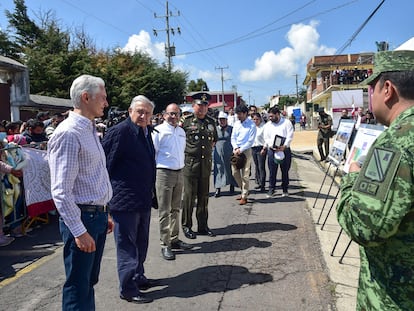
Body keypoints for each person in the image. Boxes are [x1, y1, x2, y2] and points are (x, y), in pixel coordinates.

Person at [336, 50, 414, 311]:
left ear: (388, 89)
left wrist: (353, 178)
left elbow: (364, 225)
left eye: (372, 88)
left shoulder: (395, 144)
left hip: (395, 298)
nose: (370, 96)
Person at [48, 74, 114, 310]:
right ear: (86, 97)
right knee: (78, 286)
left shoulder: (89, 129)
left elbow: (92, 177)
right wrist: (79, 230)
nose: (106, 103)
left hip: (94, 216)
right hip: (82, 218)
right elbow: (61, 190)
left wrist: (103, 212)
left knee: (88, 282)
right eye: (103, 98)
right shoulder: (68, 133)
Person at [102, 95, 156, 304]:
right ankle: (127, 288)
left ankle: (137, 276)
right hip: (124, 201)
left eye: (147, 113)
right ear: (130, 111)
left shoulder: (145, 131)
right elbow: (106, 165)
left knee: (141, 242)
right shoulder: (120, 132)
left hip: (142, 198)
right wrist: (105, 200)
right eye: (139, 111)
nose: (143, 116)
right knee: (127, 246)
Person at [152, 103, 193, 261]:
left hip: (179, 171)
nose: (173, 117)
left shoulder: (181, 131)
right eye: (170, 114)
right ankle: (165, 243)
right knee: (164, 211)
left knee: (176, 209)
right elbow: (153, 153)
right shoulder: (158, 131)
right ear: (164, 114)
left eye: (176, 114)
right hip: (164, 172)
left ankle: (174, 239)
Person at [181, 92, 218, 239]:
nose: (202, 108)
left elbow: (213, 140)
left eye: (205, 105)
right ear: (193, 106)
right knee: (189, 197)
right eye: (199, 105)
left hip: (205, 164)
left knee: (204, 197)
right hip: (190, 164)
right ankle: (186, 226)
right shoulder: (186, 122)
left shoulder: (211, 122)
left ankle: (202, 226)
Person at [261, 106, 294, 197]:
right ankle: (271, 189)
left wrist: (284, 146)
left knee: (285, 171)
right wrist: (271, 146)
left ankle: (285, 190)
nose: (270, 118)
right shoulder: (268, 125)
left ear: (277, 114)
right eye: (269, 116)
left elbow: (290, 136)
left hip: (284, 150)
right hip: (272, 151)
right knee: (272, 171)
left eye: (272, 116)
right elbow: (266, 138)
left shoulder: (287, 123)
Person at [231, 104, 256, 205]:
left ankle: (244, 196)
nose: (238, 116)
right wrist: (236, 148)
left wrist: (241, 149)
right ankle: (243, 190)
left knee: (245, 174)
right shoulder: (236, 124)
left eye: (240, 114)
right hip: (236, 150)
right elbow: (233, 137)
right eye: (237, 114)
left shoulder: (251, 124)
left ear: (245, 113)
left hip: (246, 151)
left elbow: (250, 141)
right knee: (234, 172)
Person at [213, 111, 236, 197]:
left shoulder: (231, 129)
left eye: (223, 120)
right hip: (218, 151)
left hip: (229, 150)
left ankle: (232, 185)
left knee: (230, 168)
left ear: (226, 120)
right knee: (218, 169)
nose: (222, 121)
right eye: (220, 120)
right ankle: (218, 188)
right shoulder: (215, 129)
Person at [251, 112, 266, 192]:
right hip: (253, 148)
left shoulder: (263, 127)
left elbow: (266, 138)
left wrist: (264, 148)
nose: (255, 121)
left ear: (260, 119)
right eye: (254, 119)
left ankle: (263, 185)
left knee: (261, 167)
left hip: (261, 148)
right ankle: (259, 182)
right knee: (256, 166)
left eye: (257, 119)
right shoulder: (252, 127)